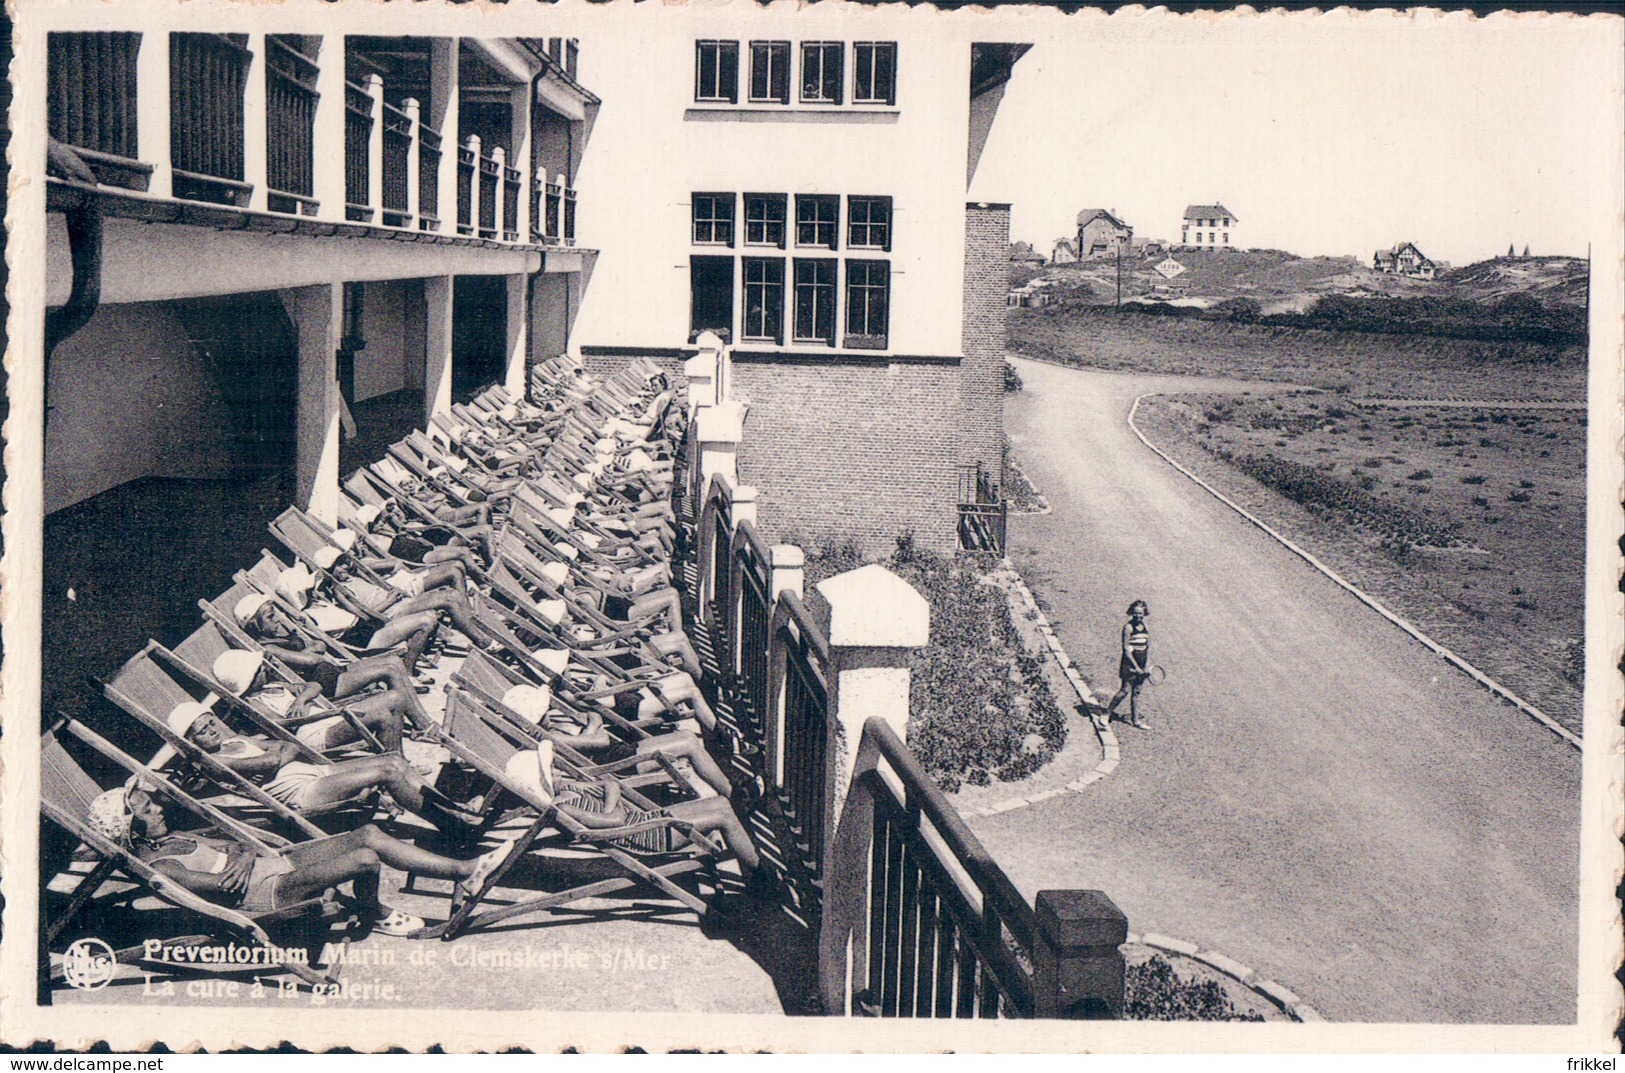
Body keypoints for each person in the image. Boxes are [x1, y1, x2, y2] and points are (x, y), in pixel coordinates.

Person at [86, 782, 514, 936]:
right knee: (365, 858)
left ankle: (465, 872)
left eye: (151, 804)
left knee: (367, 833)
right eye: (145, 810)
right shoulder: (162, 868)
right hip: (268, 894)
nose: (157, 809)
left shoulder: (175, 836)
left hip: (268, 866)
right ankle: (376, 911)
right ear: (130, 830)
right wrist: (242, 856)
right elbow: (223, 889)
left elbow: (237, 844)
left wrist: (244, 852)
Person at [169, 701, 479, 834]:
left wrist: (277, 758)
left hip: (314, 774)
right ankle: (452, 828)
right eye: (201, 731)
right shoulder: (213, 763)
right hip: (303, 793)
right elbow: (273, 755)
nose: (211, 730)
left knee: (395, 760)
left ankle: (453, 808)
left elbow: (285, 748)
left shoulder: (234, 741)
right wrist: (276, 757)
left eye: (211, 721)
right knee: (386, 773)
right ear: (190, 742)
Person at [1103, 600, 1152, 730]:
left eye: (1140, 613)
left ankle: (1135, 720)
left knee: (1137, 692)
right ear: (1131, 613)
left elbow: (1147, 646)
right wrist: (1135, 667)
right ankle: (1107, 712)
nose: (1138, 616)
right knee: (1125, 690)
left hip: (1141, 663)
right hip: (1129, 663)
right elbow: (1126, 649)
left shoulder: (1145, 626)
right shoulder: (1128, 627)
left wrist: (1145, 666)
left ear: (1144, 613)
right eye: (1135, 613)